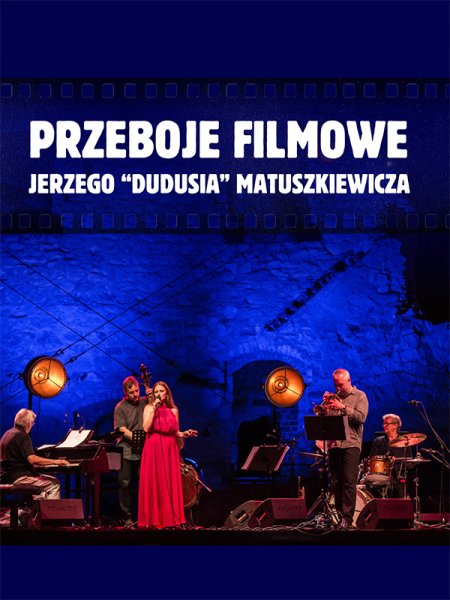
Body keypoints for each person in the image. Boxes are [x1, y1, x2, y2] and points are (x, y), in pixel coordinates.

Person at [138, 381, 198, 528]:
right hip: (153, 448)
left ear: (167, 393)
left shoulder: (174, 410)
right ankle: (153, 519)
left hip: (170, 448)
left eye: (161, 391)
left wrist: (185, 433)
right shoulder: (148, 408)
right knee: (155, 482)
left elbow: (176, 432)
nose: (159, 394)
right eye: (156, 391)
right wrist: (154, 408)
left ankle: (170, 519)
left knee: (169, 483)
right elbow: (146, 428)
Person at [321, 368, 369, 528]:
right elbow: (326, 422)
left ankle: (347, 520)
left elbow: (361, 418)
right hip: (334, 445)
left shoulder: (360, 396)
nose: (338, 388)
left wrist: (342, 407)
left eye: (340, 385)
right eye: (335, 384)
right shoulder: (334, 398)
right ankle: (338, 517)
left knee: (349, 482)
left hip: (351, 444)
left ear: (349, 381)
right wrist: (325, 408)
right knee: (336, 483)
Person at [0, 408, 69, 498]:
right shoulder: (22, 435)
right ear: (29, 423)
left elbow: (15, 459)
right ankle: (47, 508)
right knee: (54, 483)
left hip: (5, 476)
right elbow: (32, 459)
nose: (32, 426)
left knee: (42, 487)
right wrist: (56, 461)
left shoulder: (8, 433)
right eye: (32, 424)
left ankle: (37, 506)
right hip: (18, 477)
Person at [114, 375, 151, 526]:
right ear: (125, 392)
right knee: (124, 484)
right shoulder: (120, 407)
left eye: (137, 391)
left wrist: (149, 392)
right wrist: (140, 439)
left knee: (146, 483)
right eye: (131, 392)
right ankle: (126, 517)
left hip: (143, 450)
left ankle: (146, 515)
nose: (135, 394)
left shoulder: (144, 402)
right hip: (127, 450)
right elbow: (122, 430)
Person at [370, 413, 412, 498]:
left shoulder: (405, 442)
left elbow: (410, 461)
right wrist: (386, 460)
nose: (384, 426)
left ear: (395, 425)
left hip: (398, 476)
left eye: (387, 424)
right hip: (381, 475)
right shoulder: (378, 441)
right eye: (383, 424)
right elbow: (372, 460)